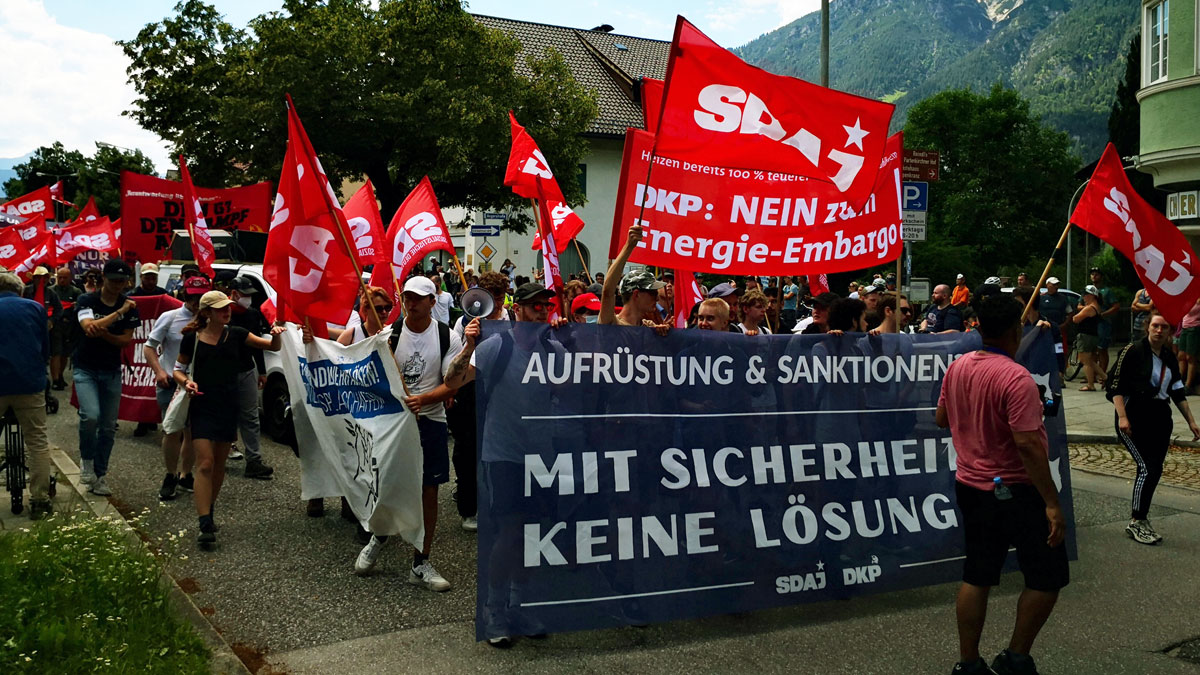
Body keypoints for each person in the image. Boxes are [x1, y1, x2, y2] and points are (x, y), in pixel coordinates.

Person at [936, 295, 1067, 675]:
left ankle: (969, 663)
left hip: (970, 484)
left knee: (977, 574)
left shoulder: (958, 367)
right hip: (1017, 488)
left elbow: (942, 417)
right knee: (1046, 575)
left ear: (977, 328)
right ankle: (1015, 657)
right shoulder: (1016, 377)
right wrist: (1052, 503)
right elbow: (1027, 444)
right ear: (1015, 329)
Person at [354, 276, 463, 591]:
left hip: (430, 422)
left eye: (419, 297)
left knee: (429, 491)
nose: (411, 302)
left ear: (433, 301)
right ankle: (380, 535)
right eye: (408, 297)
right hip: (393, 424)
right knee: (387, 484)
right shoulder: (390, 334)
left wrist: (424, 399)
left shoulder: (445, 336)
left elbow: (452, 382)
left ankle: (421, 561)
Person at [176, 291, 284, 545]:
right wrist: (186, 383)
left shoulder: (236, 334)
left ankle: (209, 508)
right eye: (220, 308)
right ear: (206, 313)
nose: (227, 311)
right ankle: (204, 524)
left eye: (228, 307)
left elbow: (270, 346)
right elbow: (179, 369)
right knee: (204, 463)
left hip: (228, 405)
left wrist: (277, 334)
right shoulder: (191, 338)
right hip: (201, 404)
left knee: (219, 464)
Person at [1107, 312, 1200, 545]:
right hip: (1133, 417)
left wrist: (1191, 421)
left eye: (1164, 327)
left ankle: (1142, 518)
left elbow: (1177, 391)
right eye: (1156, 326)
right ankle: (1137, 520)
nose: (1159, 331)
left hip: (1160, 418)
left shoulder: (1169, 356)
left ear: (1170, 331)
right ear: (1148, 327)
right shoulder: (1132, 351)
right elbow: (1114, 386)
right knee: (1146, 467)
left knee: (1155, 469)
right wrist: (1122, 418)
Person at [447, 272, 511, 532]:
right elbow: (453, 362)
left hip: (501, 393)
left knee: (498, 452)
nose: (496, 304)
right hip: (470, 391)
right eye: (491, 297)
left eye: (500, 297)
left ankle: (496, 503)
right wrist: (469, 341)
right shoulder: (464, 323)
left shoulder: (513, 319)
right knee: (466, 451)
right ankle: (467, 507)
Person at [75, 259, 140, 496]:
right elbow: (88, 327)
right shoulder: (87, 300)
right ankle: (86, 460)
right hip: (85, 368)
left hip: (112, 369)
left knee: (109, 427)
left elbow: (125, 340)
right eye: (114, 281)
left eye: (122, 281)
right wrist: (118, 314)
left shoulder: (131, 305)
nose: (118, 286)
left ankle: (100, 474)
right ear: (104, 278)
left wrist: (104, 333)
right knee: (90, 416)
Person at [145, 275, 208, 500]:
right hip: (171, 382)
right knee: (172, 430)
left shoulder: (211, 320)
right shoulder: (170, 317)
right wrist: (159, 372)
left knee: (192, 432)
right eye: (193, 297)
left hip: (198, 383)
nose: (197, 302)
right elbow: (149, 346)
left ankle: (185, 474)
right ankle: (170, 474)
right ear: (184, 295)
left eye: (201, 298)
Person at [0, 271, 53, 519]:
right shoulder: (34, 308)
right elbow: (45, 348)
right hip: (29, 383)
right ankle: (40, 500)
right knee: (37, 443)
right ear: (20, 290)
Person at [223, 277, 274, 477]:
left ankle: (254, 460)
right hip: (224, 371)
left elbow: (258, 345)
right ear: (234, 293)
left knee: (251, 416)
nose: (248, 299)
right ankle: (220, 451)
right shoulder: (222, 313)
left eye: (250, 295)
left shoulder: (252, 315)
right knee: (226, 413)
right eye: (244, 295)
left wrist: (261, 371)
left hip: (246, 369)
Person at [600, 224, 668, 330]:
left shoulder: (649, 328)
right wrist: (629, 246)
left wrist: (666, 335)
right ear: (636, 294)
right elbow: (608, 291)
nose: (657, 297)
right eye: (652, 292)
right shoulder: (612, 324)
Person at [49, 266, 82, 390]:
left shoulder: (76, 291)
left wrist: (76, 305)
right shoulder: (51, 291)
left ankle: (60, 374)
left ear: (70, 278)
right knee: (56, 352)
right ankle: (55, 379)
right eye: (60, 277)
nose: (62, 280)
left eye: (65, 278)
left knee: (65, 354)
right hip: (56, 325)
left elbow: (82, 306)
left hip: (70, 326)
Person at [1072, 286, 1105, 392]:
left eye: (1085, 295)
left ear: (1092, 296)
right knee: (1090, 360)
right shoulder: (1097, 306)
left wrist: (1081, 310)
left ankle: (1090, 384)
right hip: (1093, 335)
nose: (1084, 297)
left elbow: (1075, 319)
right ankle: (1105, 377)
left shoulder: (1089, 308)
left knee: (1085, 361)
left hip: (1085, 336)